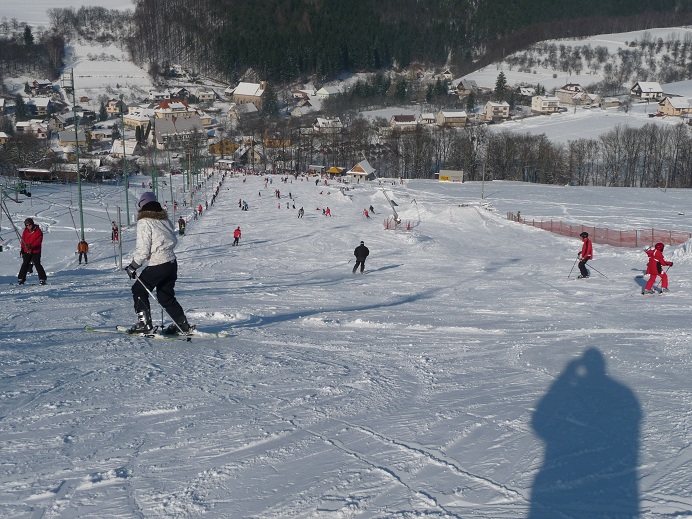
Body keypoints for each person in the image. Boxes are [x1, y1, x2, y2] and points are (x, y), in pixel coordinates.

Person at [124, 192, 192, 335]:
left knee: (139, 289)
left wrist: (133, 266)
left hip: (158, 263)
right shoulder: (164, 219)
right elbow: (173, 238)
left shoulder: (144, 222)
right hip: (171, 263)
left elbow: (143, 249)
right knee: (165, 296)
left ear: (142, 205)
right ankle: (182, 324)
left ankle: (144, 324)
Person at [18, 218, 48, 285]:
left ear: (32, 224)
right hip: (27, 250)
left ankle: (42, 278)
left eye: (30, 224)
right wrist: (22, 248)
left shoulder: (38, 231)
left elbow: (38, 241)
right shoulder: (25, 231)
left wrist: (31, 246)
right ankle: (21, 279)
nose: (29, 226)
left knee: (37, 264)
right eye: (27, 225)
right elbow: (23, 240)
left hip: (35, 251)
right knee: (25, 264)